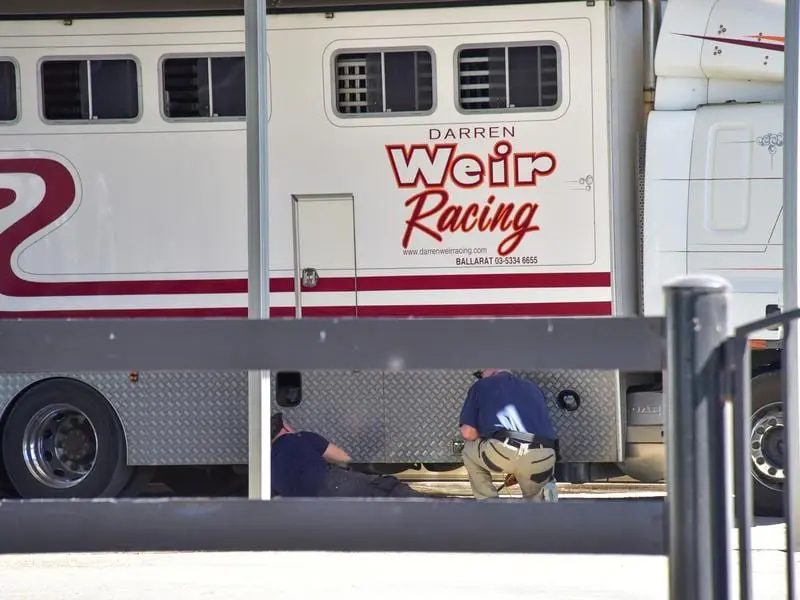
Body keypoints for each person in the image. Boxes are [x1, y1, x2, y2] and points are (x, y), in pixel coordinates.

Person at [270, 412, 427, 498]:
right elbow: (343, 459)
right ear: (284, 429)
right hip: (329, 484)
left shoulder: (265, 460)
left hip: (304, 506)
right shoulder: (300, 437)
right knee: (387, 488)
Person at [458, 369, 558, 501]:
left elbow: (468, 433)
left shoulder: (482, 385)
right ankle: (549, 509)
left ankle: (489, 503)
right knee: (539, 497)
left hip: (505, 452)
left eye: (480, 374)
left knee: (468, 449)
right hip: (545, 456)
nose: (480, 377)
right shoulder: (533, 388)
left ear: (491, 368)